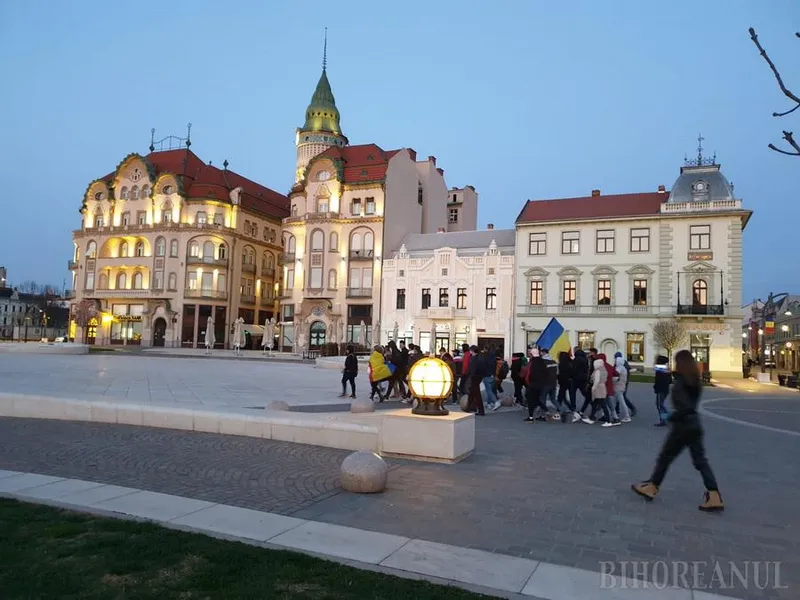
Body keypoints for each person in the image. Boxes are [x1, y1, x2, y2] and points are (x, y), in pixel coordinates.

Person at [632, 350, 724, 512]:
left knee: (665, 457)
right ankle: (714, 494)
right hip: (695, 425)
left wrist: (671, 417)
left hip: (683, 426)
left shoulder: (681, 382)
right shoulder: (695, 381)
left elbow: (684, 407)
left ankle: (652, 487)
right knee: (700, 460)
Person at [523, 347, 548, 422]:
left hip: (533, 384)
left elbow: (531, 373)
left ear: (532, 354)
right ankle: (546, 410)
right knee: (536, 399)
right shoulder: (542, 361)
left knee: (531, 400)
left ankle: (531, 417)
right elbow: (545, 373)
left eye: (530, 353)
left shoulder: (533, 362)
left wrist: (529, 381)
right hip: (541, 384)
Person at [614, 351, 637, 417]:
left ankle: (632, 408)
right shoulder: (621, 362)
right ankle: (616, 410)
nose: (615, 359)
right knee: (617, 396)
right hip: (622, 382)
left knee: (621, 396)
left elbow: (622, 372)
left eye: (615, 357)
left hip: (622, 383)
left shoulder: (622, 363)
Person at [557, 351, 578, 423]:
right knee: (572, 394)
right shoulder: (571, 362)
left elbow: (561, 373)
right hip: (571, 380)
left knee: (561, 394)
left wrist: (558, 378)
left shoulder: (561, 364)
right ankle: (573, 407)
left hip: (563, 381)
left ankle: (558, 407)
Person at [465, 346, 486, 415]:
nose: (470, 351)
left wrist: (470, 375)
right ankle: (469, 407)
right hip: (479, 376)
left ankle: (481, 411)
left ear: (472, 351)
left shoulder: (474, 359)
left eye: (470, 350)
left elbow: (472, 369)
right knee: (472, 392)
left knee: (477, 394)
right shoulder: (480, 357)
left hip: (475, 377)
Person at [653, 355, 672, 426]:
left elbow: (657, 380)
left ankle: (665, 419)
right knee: (661, 405)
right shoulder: (667, 369)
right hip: (666, 389)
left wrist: (655, 387)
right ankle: (665, 418)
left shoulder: (659, 369)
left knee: (660, 405)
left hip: (660, 389)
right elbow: (670, 381)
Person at [613, 355, 631, 423]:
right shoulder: (623, 368)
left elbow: (615, 376)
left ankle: (627, 416)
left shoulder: (619, 368)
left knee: (622, 402)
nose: (614, 361)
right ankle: (614, 415)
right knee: (614, 402)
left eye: (615, 360)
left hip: (618, 387)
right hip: (620, 386)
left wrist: (611, 379)